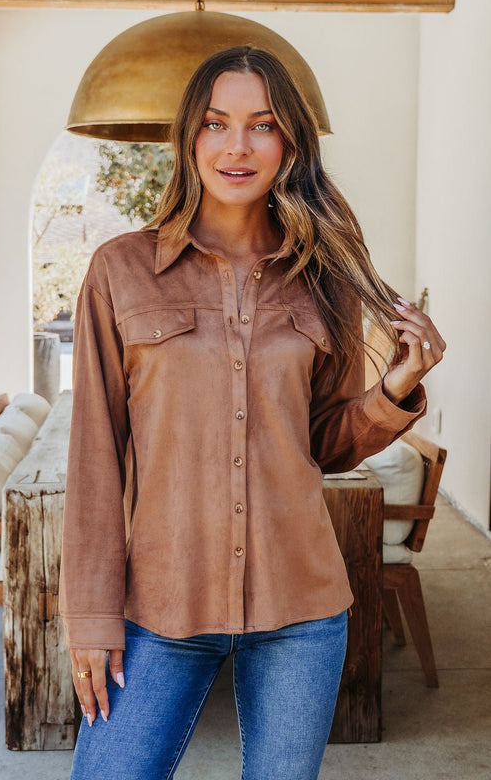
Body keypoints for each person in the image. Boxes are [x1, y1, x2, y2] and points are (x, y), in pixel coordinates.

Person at [59, 45, 445, 780]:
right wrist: (91, 615)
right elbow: (93, 458)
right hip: (157, 612)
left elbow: (323, 444)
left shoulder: (321, 279)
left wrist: (393, 391)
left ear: (290, 143)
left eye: (262, 125)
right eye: (216, 123)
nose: (237, 146)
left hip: (300, 612)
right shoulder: (120, 270)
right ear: (189, 139)